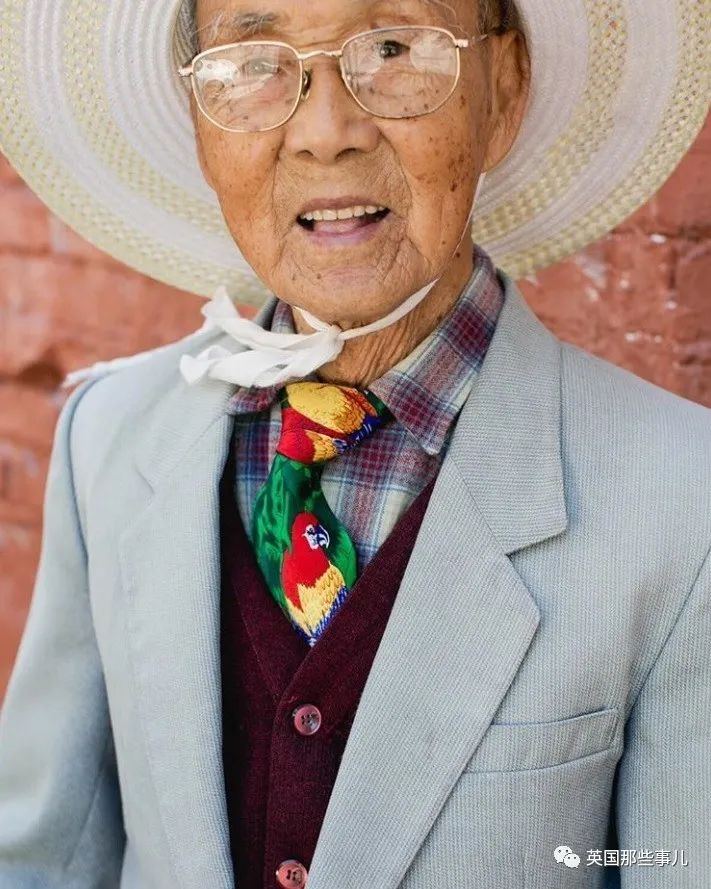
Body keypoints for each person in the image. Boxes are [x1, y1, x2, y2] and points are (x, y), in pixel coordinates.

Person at [0, 0, 709, 886]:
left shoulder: (682, 502)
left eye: (394, 47)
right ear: (199, 120)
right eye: (253, 62)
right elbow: (43, 857)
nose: (325, 133)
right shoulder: (110, 435)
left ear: (502, 89)